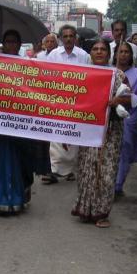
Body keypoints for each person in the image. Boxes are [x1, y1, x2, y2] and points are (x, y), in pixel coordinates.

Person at [72, 39, 131, 228]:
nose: (99, 52)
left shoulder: (118, 75)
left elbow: (131, 100)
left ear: (108, 53)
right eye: (95, 49)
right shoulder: (84, 75)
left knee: (106, 172)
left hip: (111, 131)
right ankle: (85, 208)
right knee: (86, 170)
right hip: (87, 131)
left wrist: (118, 100)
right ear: (90, 53)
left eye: (103, 49)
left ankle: (102, 212)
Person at [0, 29, 36, 214]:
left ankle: (19, 196)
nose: (10, 45)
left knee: (20, 162)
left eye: (14, 42)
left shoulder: (27, 64)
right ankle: (0, 199)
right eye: (7, 41)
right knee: (1, 160)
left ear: (19, 44)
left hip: (21, 123)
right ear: (3, 44)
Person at [44, 25, 89, 183]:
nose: (68, 39)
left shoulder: (84, 56)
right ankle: (54, 170)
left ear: (75, 38)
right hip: (57, 100)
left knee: (73, 134)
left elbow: (89, 78)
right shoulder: (54, 55)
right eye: (66, 36)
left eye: (71, 36)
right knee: (56, 135)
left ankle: (70, 170)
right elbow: (48, 76)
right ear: (61, 38)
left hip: (77, 101)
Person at [113, 42, 137, 197]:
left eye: (126, 52)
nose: (123, 55)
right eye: (120, 51)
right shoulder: (109, 72)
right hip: (110, 116)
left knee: (125, 149)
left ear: (132, 55)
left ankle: (117, 185)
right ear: (115, 54)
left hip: (131, 117)